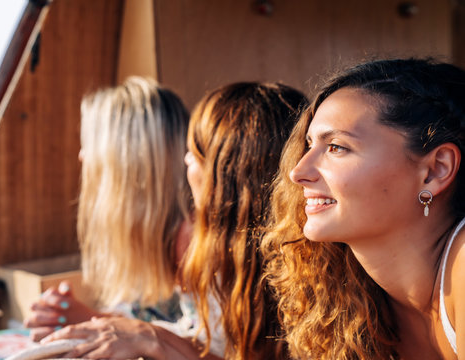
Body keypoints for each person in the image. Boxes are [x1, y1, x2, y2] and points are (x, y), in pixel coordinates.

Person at [40, 81, 307, 359]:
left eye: (196, 153)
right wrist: (99, 323)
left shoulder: (202, 241)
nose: (82, 156)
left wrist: (138, 333)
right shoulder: (234, 241)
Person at [262, 58, 465, 359]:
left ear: (435, 170)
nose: (298, 172)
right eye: (309, 145)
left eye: (336, 147)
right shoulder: (349, 298)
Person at [181, 82, 307, 359]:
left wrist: (156, 340)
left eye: (196, 152)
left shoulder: (310, 276)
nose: (186, 161)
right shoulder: (221, 253)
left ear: (228, 178)